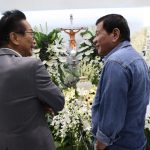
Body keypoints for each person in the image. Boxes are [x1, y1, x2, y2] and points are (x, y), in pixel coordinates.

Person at [0, 10, 65, 150]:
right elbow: (58, 102)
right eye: (31, 33)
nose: (34, 40)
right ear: (14, 37)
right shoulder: (31, 66)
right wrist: (38, 102)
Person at [92, 14, 150, 150]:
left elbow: (112, 109)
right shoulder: (138, 59)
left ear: (115, 34)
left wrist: (101, 143)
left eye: (97, 34)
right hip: (135, 141)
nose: (94, 40)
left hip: (117, 145)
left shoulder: (116, 63)